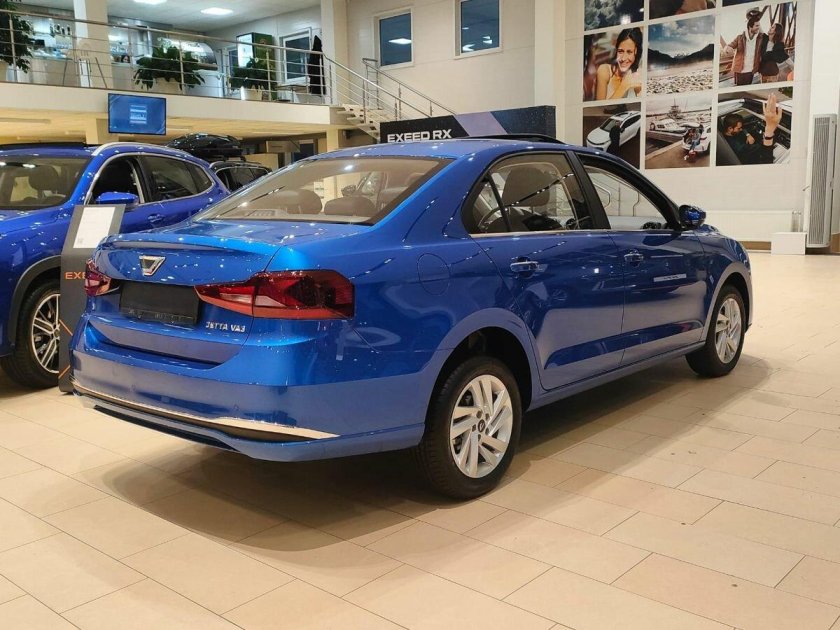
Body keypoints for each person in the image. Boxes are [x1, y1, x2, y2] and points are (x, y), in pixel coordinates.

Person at [721, 92, 783, 165]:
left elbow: (743, 129)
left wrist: (747, 134)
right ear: (730, 128)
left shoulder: (731, 132)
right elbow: (756, 148)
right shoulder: (737, 146)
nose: (741, 129)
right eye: (739, 128)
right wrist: (767, 137)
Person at [595, 28, 643, 101]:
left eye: (629, 52)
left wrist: (638, 91)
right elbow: (599, 107)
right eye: (620, 51)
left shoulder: (637, 73)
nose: (623, 58)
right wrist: (624, 86)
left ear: (636, 52)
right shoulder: (604, 70)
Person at [724, 9, 769, 86]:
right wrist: (727, 49)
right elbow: (729, 46)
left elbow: (768, 38)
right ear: (750, 27)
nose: (759, 27)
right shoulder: (740, 37)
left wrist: (755, 19)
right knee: (739, 88)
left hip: (751, 71)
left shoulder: (760, 38)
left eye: (759, 25)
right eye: (757, 26)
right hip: (739, 70)